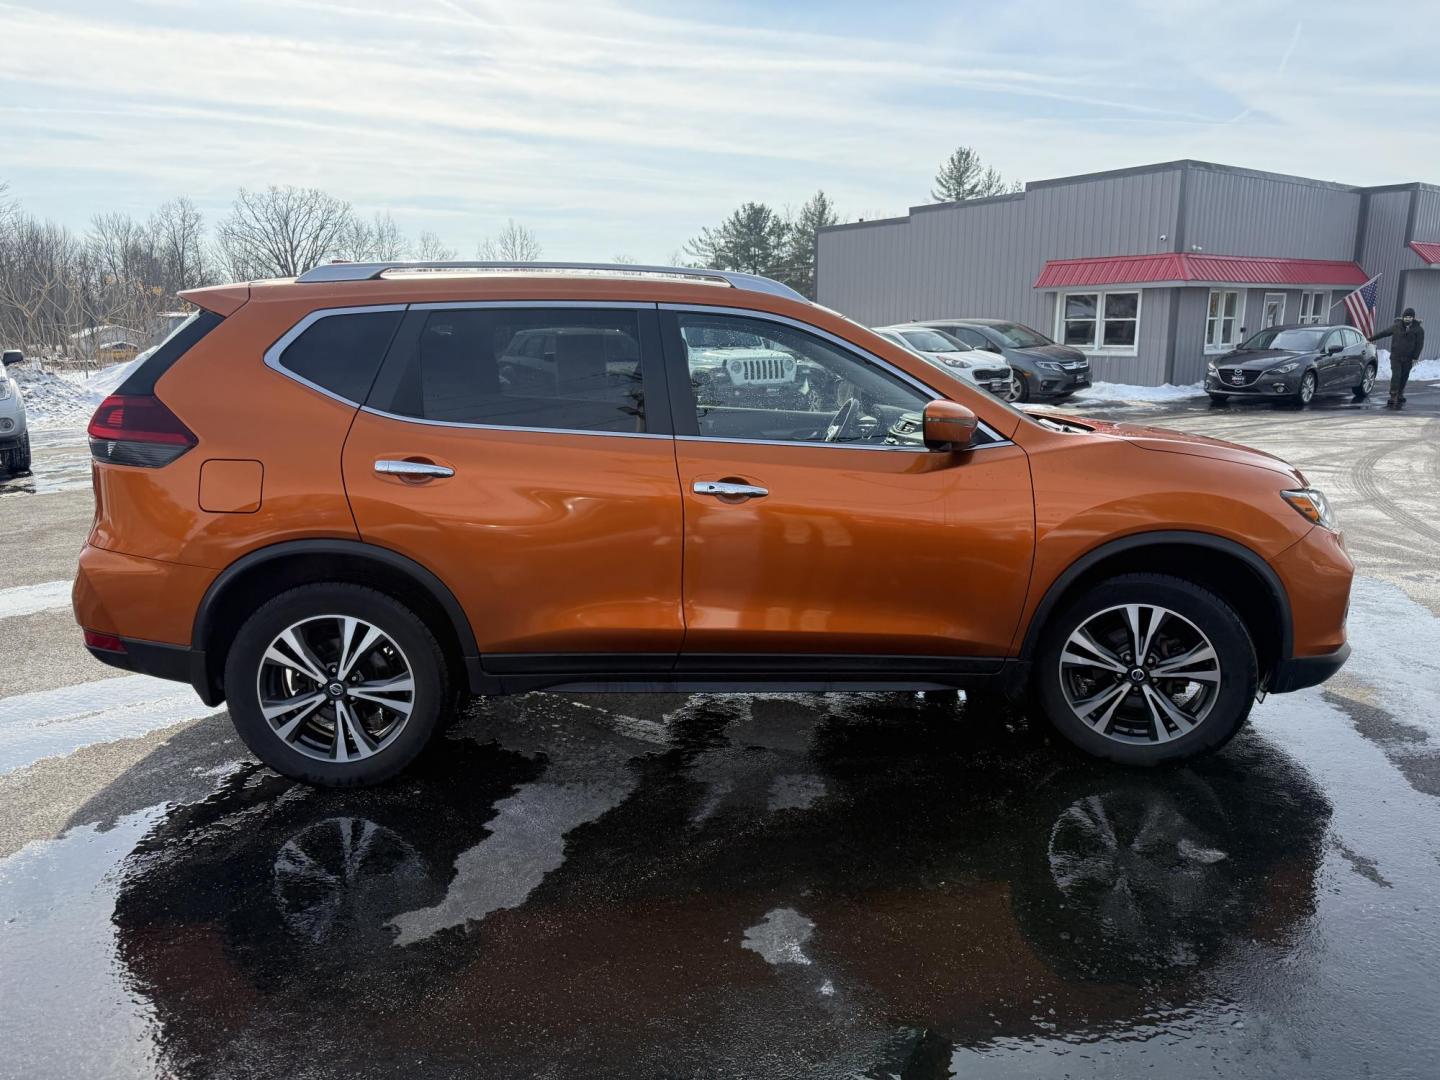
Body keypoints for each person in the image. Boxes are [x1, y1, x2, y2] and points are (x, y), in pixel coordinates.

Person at [1369, 307, 1425, 409]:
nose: (1408, 319)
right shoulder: (1396, 326)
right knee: (1396, 375)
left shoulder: (1418, 330)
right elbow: (1384, 333)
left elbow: (1419, 344)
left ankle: (1400, 393)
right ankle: (1393, 395)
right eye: (1406, 317)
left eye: (1410, 317)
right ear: (1403, 317)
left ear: (1413, 318)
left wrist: (1415, 357)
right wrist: (1370, 339)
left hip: (1408, 358)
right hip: (1396, 357)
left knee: (1404, 376)